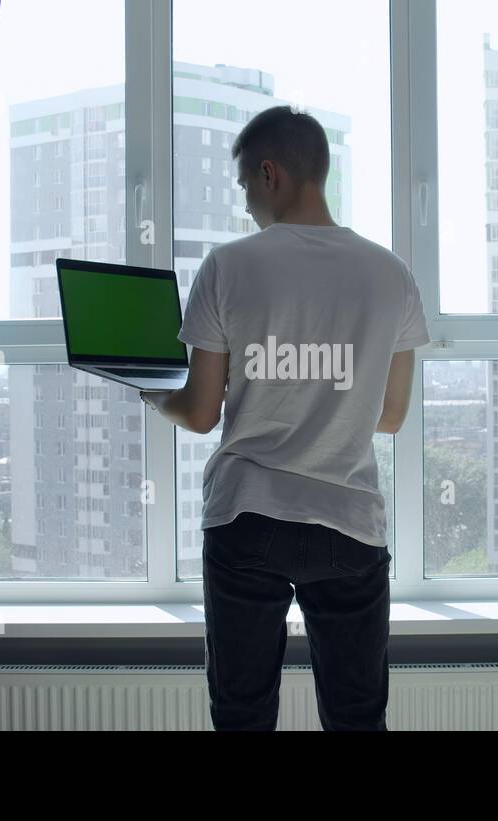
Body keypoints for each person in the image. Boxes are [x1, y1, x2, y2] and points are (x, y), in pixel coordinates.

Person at [141, 105, 430, 731]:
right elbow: (391, 415)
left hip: (249, 516)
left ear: (269, 173)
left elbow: (199, 413)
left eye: (245, 185)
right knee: (357, 716)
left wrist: (155, 396)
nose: (247, 202)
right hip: (349, 523)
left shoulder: (228, 266)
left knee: (242, 714)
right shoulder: (392, 274)